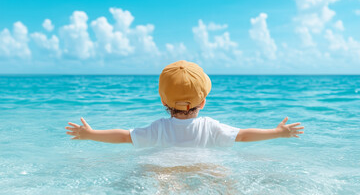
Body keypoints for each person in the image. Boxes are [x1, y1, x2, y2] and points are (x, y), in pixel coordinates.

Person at [66, 60, 304, 147]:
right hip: (204, 168)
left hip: (164, 168)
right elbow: (243, 136)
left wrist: (90, 134)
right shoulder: (210, 126)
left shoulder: (158, 127)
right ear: (203, 101)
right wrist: (277, 132)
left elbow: (123, 137)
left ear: (162, 100)